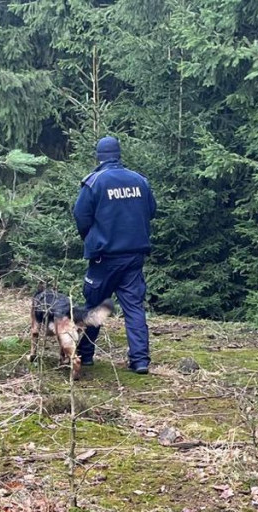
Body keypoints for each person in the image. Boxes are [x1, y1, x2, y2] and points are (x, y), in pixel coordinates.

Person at [73, 136, 157, 375]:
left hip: (104, 259)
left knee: (94, 306)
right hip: (134, 256)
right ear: (119, 155)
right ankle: (140, 361)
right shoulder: (139, 181)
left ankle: (85, 355)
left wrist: (91, 238)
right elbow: (151, 210)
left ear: (99, 157)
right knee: (134, 307)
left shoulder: (94, 182)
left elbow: (81, 216)